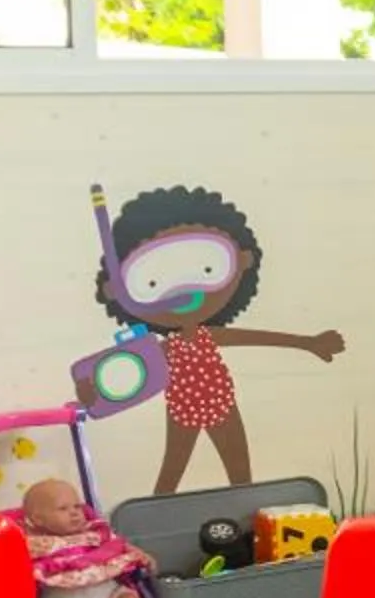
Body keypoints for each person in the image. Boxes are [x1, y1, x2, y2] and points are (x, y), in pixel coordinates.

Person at [84, 184, 345, 494]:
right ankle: (156, 518)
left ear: (243, 259)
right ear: (118, 293)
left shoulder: (206, 336)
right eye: (151, 282)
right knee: (172, 471)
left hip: (221, 403)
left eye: (209, 267)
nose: (183, 291)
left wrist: (309, 343)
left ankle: (247, 515)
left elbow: (253, 337)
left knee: (239, 472)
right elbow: (126, 380)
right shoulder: (161, 349)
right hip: (183, 409)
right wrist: (92, 394)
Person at [22, 477, 154, 598]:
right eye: (63, 509)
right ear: (39, 519)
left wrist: (140, 555)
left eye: (77, 506)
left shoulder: (94, 531)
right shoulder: (35, 543)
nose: (75, 513)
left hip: (105, 592)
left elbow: (118, 545)